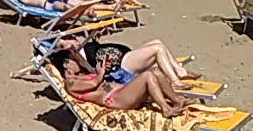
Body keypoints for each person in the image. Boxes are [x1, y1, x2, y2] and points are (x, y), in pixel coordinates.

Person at [49, 49, 194, 117]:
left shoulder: (79, 76)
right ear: (66, 64)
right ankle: (166, 109)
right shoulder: (71, 83)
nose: (77, 63)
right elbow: (93, 84)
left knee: (156, 71)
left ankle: (176, 100)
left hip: (121, 93)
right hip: (116, 100)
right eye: (73, 60)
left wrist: (101, 72)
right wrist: (100, 73)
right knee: (148, 75)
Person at [53, 34, 198, 89]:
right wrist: (66, 45)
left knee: (157, 41)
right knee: (157, 49)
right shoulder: (79, 58)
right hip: (123, 65)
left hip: (126, 56)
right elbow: (61, 47)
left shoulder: (82, 51)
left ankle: (180, 72)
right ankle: (174, 81)